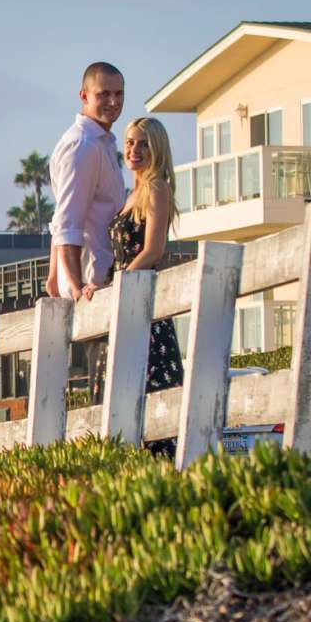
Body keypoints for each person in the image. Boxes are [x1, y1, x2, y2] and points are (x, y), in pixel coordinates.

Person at [111, 115, 185, 458]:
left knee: (153, 407)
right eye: (129, 142)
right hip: (124, 302)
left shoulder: (157, 188)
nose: (134, 150)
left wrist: (122, 286)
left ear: (157, 150)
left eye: (143, 144)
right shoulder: (130, 195)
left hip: (144, 310)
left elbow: (154, 250)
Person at [47, 61, 127, 302]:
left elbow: (63, 212)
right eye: (104, 94)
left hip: (101, 281)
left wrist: (53, 275)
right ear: (84, 96)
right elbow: (68, 222)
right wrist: (74, 287)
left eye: (119, 94)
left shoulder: (102, 142)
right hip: (91, 288)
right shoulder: (83, 146)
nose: (113, 102)